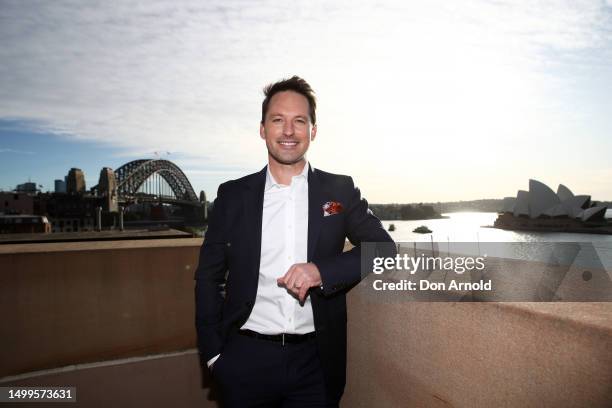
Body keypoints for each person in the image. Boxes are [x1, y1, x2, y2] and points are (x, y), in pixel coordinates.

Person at [195, 76, 394, 407]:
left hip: (315, 365)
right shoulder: (232, 197)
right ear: (263, 129)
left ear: (313, 131)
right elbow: (208, 278)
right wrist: (214, 354)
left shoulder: (339, 191)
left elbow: (383, 248)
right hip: (244, 358)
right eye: (278, 120)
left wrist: (321, 271)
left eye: (299, 121)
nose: (288, 131)